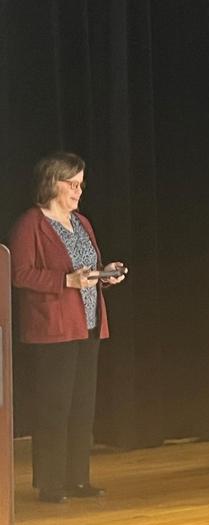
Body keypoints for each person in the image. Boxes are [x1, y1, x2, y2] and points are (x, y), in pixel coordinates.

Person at [9, 152, 126, 503]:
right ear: (52, 183)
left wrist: (106, 275)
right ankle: (51, 483)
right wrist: (65, 281)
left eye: (81, 184)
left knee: (82, 406)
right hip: (53, 329)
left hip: (88, 327)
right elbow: (18, 273)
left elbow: (87, 271)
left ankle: (78, 478)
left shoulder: (82, 223)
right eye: (72, 184)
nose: (78, 191)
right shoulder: (31, 223)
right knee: (55, 407)